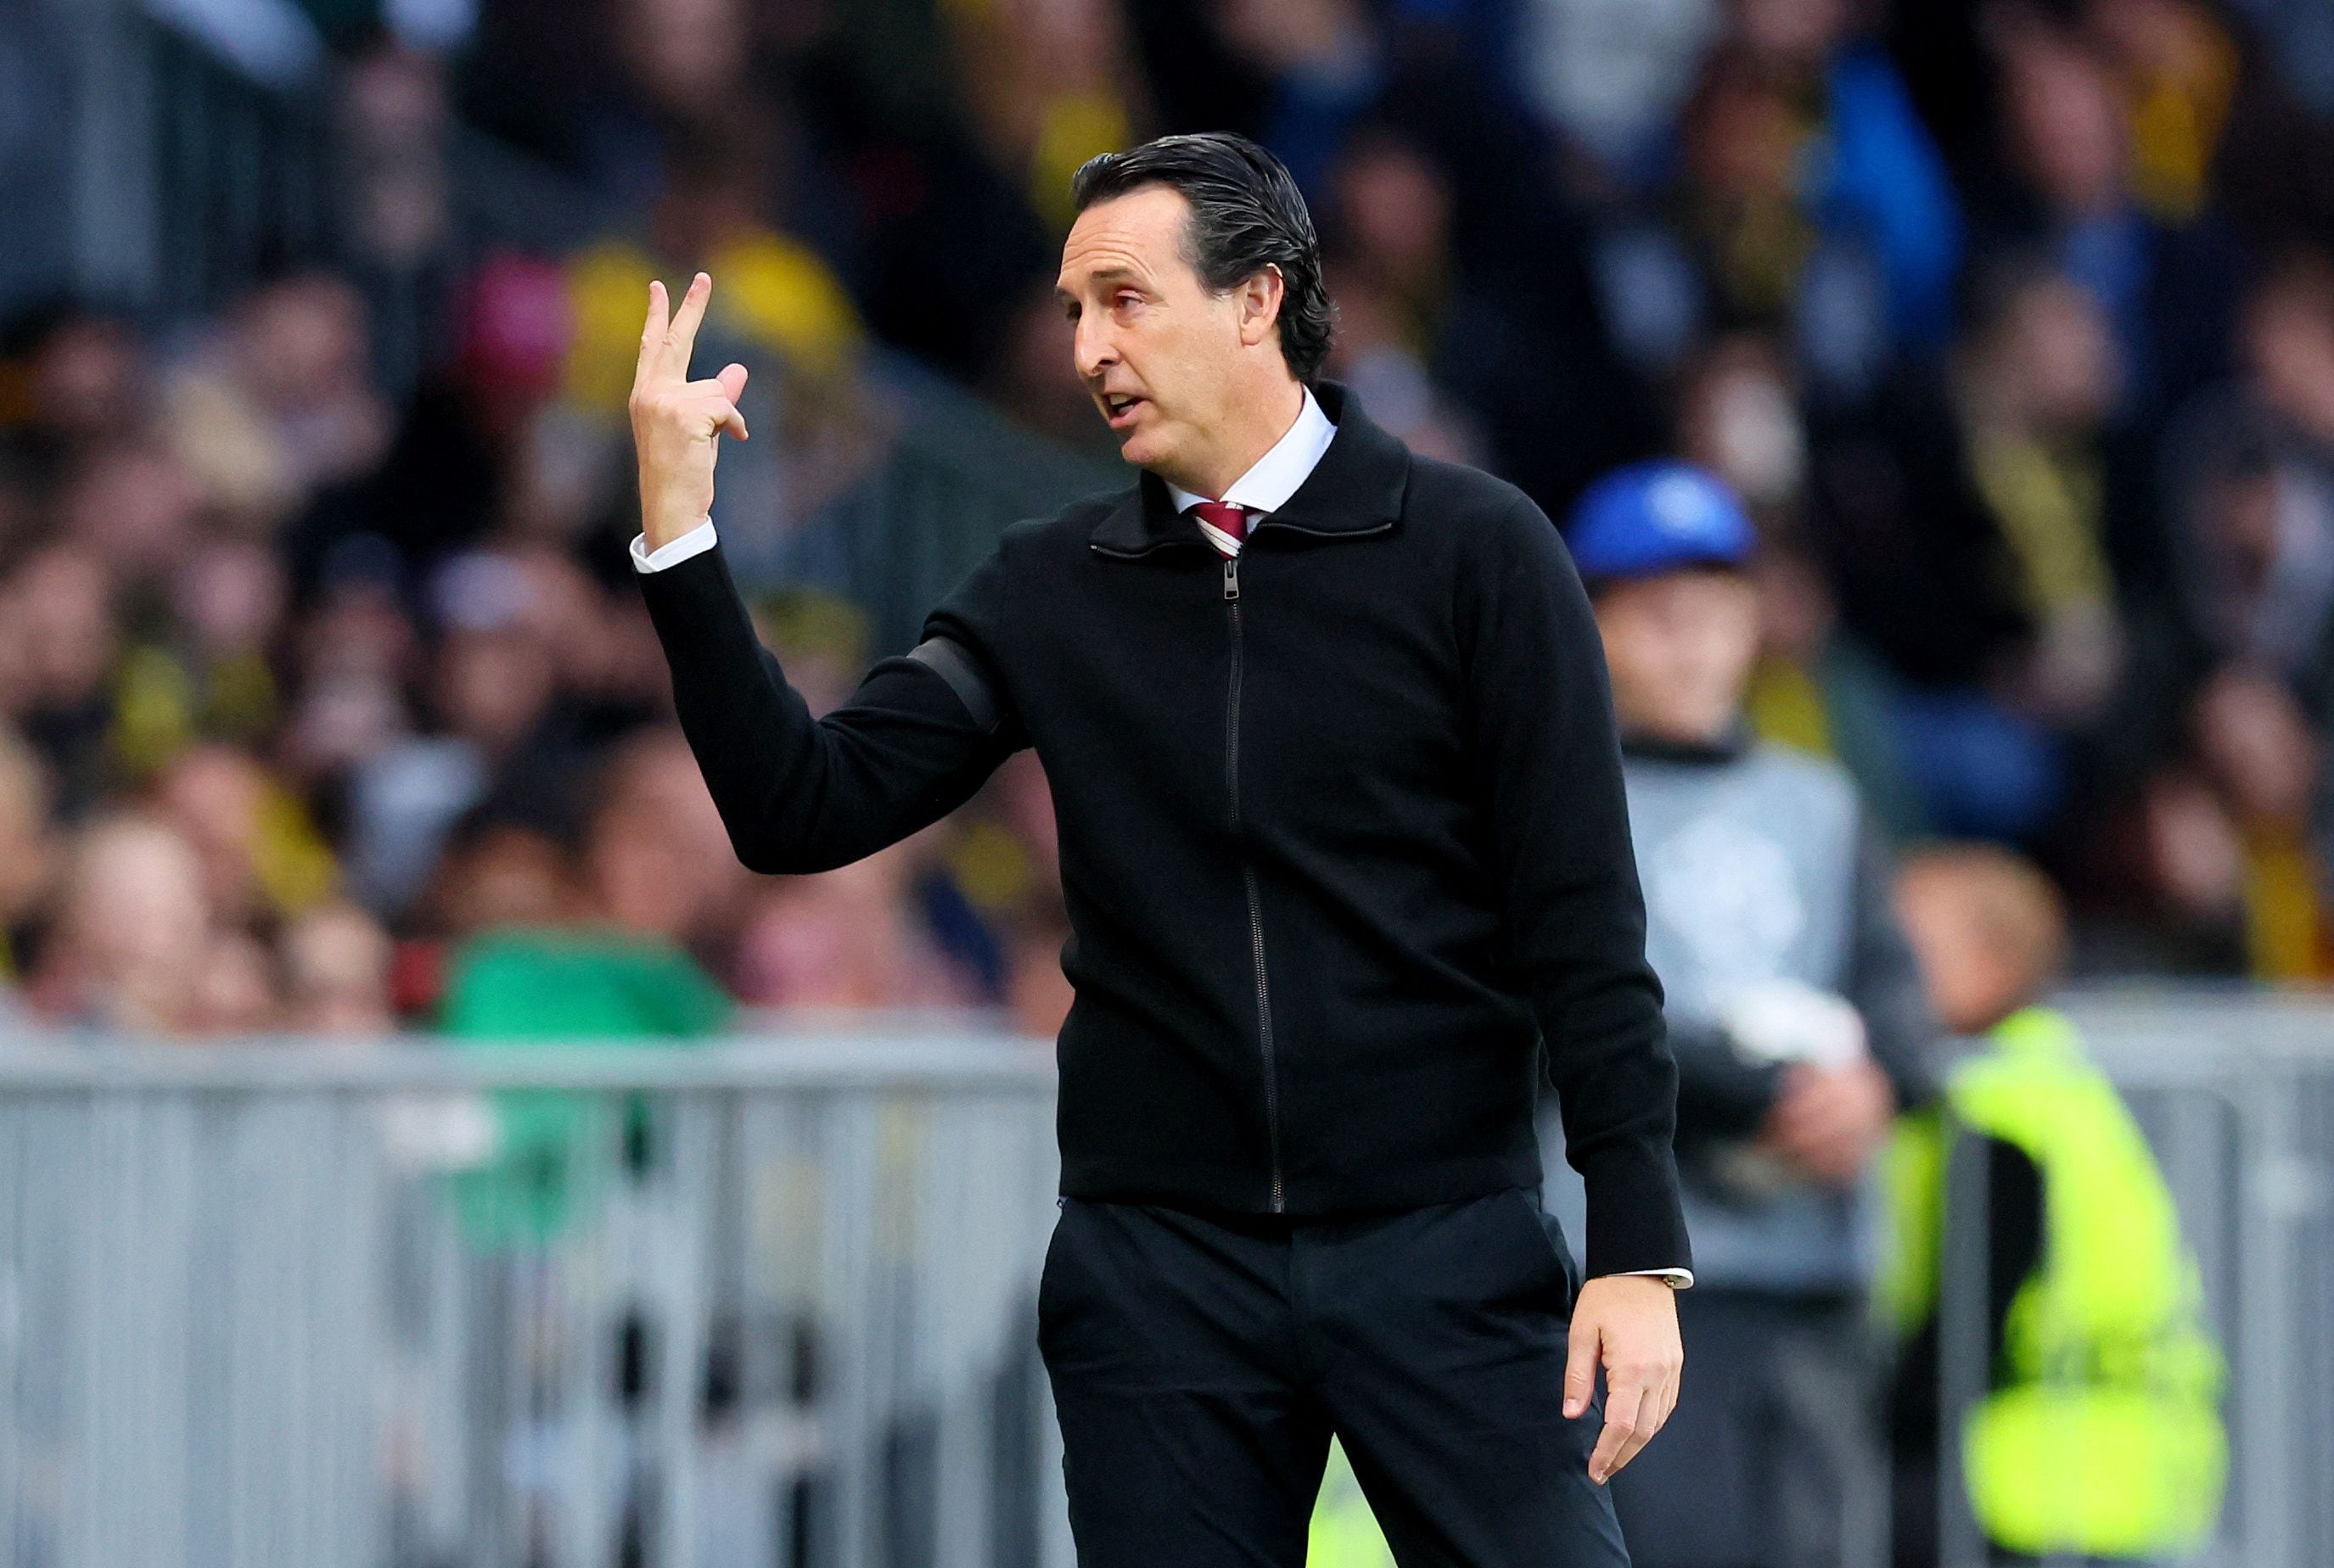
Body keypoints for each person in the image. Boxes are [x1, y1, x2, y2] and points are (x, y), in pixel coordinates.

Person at [628, 132, 1688, 1564]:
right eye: (1072, 310)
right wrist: (683, 540)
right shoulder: (1048, 585)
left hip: (1445, 1244)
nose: (1085, 348)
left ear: (1258, 300)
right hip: (1159, 1276)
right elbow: (800, 806)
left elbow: (1583, 923)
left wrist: (1634, 1245)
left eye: (1124, 299)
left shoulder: (1477, 551)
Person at [1541, 462, 1937, 1568]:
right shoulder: (1547, 793)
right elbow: (1542, 1004)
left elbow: (1895, 996)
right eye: (1654, 613)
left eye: (1713, 610)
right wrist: (1762, 1095)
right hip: (1630, 1275)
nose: (1690, 641)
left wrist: (1872, 1088)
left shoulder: (1817, 802)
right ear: (1592, 623)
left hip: (1809, 1272)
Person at [1882, 845, 2225, 1565]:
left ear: (1992, 964)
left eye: (1907, 950)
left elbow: (1972, 1310)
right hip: (2126, 1474)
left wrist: (1890, 1418)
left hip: (2026, 1481)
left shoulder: (1997, 1099)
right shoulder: (2058, 1080)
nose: (1883, 973)